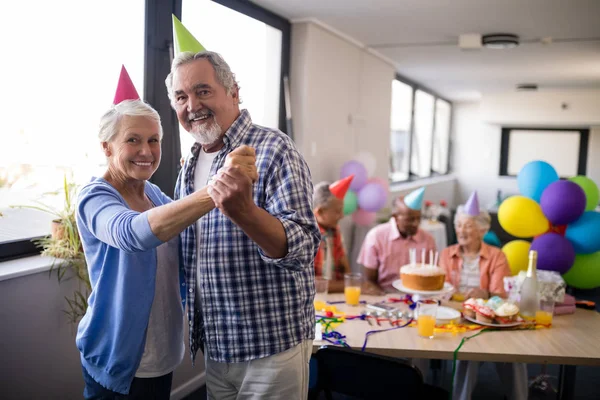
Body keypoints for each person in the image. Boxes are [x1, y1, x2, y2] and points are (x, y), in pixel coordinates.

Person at [76, 66, 258, 399]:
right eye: (133, 140)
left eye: (153, 140)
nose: (146, 151)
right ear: (106, 147)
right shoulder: (95, 196)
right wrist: (218, 187)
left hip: (162, 357)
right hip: (120, 360)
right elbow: (132, 234)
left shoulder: (155, 195)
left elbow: (188, 247)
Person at [166, 20, 320, 400]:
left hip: (272, 343)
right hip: (218, 345)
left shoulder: (274, 149)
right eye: (182, 97)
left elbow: (304, 247)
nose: (193, 105)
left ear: (234, 92)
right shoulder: (188, 167)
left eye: (203, 91)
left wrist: (246, 212)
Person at [439, 191, 528, 400]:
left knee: (514, 356)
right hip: (455, 317)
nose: (462, 230)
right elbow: (442, 290)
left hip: (489, 319)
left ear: (482, 230)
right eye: (459, 225)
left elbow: (500, 294)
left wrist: (485, 293)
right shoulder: (446, 254)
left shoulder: (497, 256)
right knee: (466, 354)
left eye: (468, 226)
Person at [357, 188, 437, 294]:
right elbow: (370, 280)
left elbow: (430, 278)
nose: (415, 224)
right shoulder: (376, 236)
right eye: (410, 219)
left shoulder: (428, 240)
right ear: (395, 217)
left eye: (418, 219)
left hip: (418, 296)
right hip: (384, 294)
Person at [312, 177, 353, 292]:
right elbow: (310, 284)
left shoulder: (335, 231)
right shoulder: (307, 235)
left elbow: (346, 270)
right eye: (337, 211)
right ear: (320, 212)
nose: (342, 216)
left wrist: (350, 283)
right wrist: (349, 285)